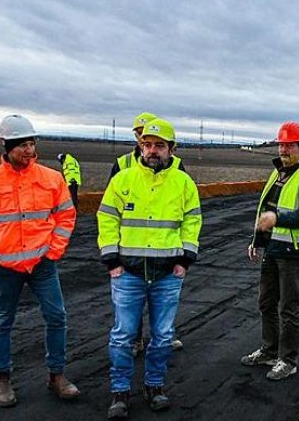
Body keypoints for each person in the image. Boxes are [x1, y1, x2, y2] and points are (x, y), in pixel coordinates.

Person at [0, 114, 80, 408]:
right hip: (3, 268)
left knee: (57, 317)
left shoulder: (51, 178)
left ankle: (56, 377)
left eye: (32, 143)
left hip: (42, 264)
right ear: (7, 146)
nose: (29, 150)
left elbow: (66, 215)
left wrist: (54, 250)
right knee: (2, 322)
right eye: (23, 145)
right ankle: (3, 380)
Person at [98, 117, 202, 421]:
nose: (152, 150)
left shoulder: (183, 183)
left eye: (159, 145)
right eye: (147, 144)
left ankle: (155, 387)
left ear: (170, 149)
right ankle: (119, 393)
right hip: (127, 272)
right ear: (140, 146)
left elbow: (192, 222)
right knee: (123, 335)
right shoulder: (124, 179)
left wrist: (185, 259)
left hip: (168, 274)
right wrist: (112, 260)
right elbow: (107, 219)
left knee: (163, 334)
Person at [110, 112, 185, 354]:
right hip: (130, 249)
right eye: (141, 134)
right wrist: (112, 254)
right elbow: (111, 209)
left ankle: (163, 335)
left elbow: (184, 205)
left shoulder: (175, 164)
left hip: (163, 248)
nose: (145, 139)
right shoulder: (122, 165)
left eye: (153, 138)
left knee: (161, 301)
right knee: (131, 303)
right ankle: (135, 340)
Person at [241, 121, 299, 381]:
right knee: (266, 302)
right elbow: (265, 208)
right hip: (272, 248)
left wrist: (277, 218)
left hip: (292, 251)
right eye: (281, 144)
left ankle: (287, 360)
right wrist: (256, 240)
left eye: (289, 145)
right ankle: (269, 351)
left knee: (288, 308)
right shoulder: (277, 172)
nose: (284, 149)